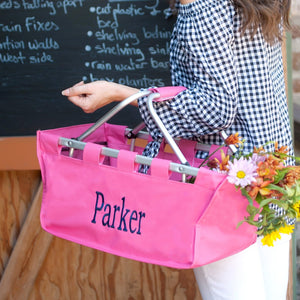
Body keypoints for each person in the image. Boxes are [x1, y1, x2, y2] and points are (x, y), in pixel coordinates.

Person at [62, 0, 294, 299]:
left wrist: (119, 93)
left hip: (226, 187)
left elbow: (214, 109)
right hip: (271, 174)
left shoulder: (204, 7)